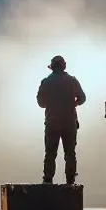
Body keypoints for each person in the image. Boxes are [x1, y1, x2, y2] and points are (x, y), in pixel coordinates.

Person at [37, 55, 87, 184]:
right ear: (64, 66)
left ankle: (48, 179)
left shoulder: (46, 82)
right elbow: (82, 98)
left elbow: (41, 103)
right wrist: (73, 104)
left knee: (50, 153)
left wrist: (51, 103)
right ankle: (70, 180)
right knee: (70, 153)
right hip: (69, 122)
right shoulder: (72, 81)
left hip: (52, 122)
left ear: (52, 67)